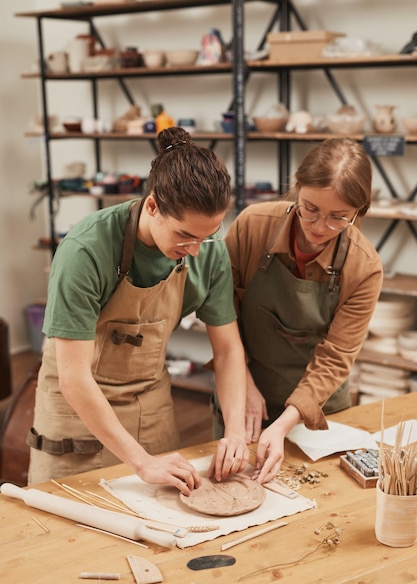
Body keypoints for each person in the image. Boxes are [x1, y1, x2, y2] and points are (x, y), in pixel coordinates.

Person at [27, 127, 249, 494]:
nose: (195, 250)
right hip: (78, 410)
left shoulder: (209, 253)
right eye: (184, 236)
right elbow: (74, 378)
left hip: (149, 404)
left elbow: (227, 352)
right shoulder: (86, 250)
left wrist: (236, 432)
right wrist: (141, 461)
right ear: (152, 206)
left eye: (206, 236)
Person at [214, 137, 383, 484]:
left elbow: (335, 357)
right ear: (296, 189)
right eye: (309, 208)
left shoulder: (363, 267)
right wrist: (242, 383)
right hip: (244, 394)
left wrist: (285, 422)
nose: (320, 227)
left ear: (358, 212)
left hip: (316, 410)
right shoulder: (253, 225)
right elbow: (219, 309)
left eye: (339, 218)